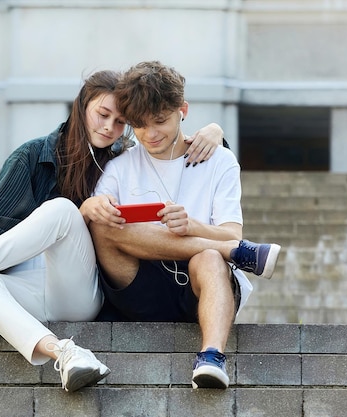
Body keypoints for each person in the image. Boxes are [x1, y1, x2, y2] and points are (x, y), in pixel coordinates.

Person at [0, 69, 226, 392]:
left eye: (121, 122)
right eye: (102, 114)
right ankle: (64, 354)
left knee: (63, 211)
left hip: (80, 291)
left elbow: (170, 141)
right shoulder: (34, 155)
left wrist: (214, 131)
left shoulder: (124, 160)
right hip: (26, 288)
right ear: (81, 106)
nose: (109, 127)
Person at [85, 61, 281, 389]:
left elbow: (233, 234)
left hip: (200, 284)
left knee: (208, 257)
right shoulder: (119, 167)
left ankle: (212, 357)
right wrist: (91, 206)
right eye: (140, 125)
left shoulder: (218, 161)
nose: (150, 134)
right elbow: (100, 227)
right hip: (139, 287)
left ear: (182, 110)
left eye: (160, 121)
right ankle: (239, 254)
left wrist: (192, 225)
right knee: (102, 223)